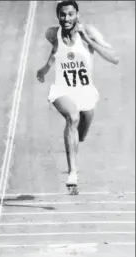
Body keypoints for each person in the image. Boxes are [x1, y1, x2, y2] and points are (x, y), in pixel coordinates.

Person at [36, 0, 119, 193]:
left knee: (81, 132)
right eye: (63, 15)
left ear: (77, 15)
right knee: (72, 117)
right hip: (62, 89)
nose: (66, 18)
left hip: (85, 90)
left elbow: (114, 58)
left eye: (71, 14)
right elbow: (55, 51)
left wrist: (89, 42)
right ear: (58, 16)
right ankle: (72, 172)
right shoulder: (51, 33)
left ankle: (75, 140)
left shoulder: (88, 32)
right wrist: (45, 68)